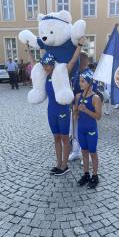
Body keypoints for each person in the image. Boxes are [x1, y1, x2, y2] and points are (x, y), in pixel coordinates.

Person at [43, 37, 86, 176]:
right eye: (44, 65)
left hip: (62, 110)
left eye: (47, 65)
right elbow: (38, 58)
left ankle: (64, 165)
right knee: (56, 138)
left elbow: (73, 61)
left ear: (53, 64)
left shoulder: (62, 73)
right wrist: (31, 49)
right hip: (51, 111)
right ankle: (58, 164)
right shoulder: (46, 75)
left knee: (64, 138)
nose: (45, 68)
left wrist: (79, 45)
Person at [74, 69, 102, 188]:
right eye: (79, 81)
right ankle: (86, 174)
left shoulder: (96, 98)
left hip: (91, 129)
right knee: (84, 152)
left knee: (93, 153)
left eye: (82, 81)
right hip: (81, 129)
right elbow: (75, 113)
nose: (80, 83)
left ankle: (95, 176)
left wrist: (86, 110)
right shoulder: (78, 96)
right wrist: (76, 114)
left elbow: (98, 116)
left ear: (90, 83)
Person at [69, 52, 98, 161]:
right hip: (75, 106)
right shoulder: (76, 73)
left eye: (79, 59)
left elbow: (92, 91)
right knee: (75, 131)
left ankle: (89, 155)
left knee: (86, 131)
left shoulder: (89, 74)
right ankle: (76, 151)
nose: (77, 61)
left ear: (85, 61)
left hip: (86, 107)